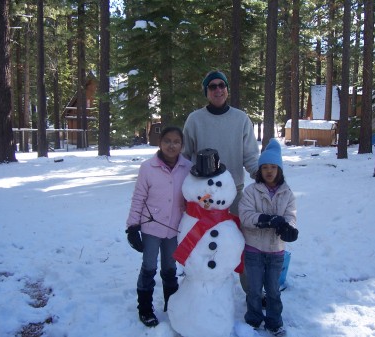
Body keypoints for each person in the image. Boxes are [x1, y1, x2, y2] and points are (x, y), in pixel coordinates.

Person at [125, 126, 192, 327]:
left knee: (170, 268)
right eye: (167, 141)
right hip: (150, 229)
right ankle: (145, 309)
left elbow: (193, 196)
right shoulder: (147, 167)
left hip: (174, 229)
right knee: (149, 267)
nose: (171, 145)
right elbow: (138, 197)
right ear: (159, 143)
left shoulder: (188, 168)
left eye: (176, 142)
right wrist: (132, 226)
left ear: (182, 145)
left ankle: (172, 307)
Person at [238, 138, 298, 337]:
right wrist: (266, 219)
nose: (269, 171)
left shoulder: (287, 193)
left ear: (279, 170)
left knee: (273, 290)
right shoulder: (250, 192)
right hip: (253, 250)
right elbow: (245, 216)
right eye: (265, 167)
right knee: (254, 290)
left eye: (273, 167)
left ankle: (274, 322)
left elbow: (290, 216)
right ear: (259, 170)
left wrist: (289, 229)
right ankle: (253, 319)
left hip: (276, 252)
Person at [182, 70, 259, 216]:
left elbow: (251, 156)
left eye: (222, 85)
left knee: (235, 235)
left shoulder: (241, 119)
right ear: (206, 92)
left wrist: (260, 175)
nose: (218, 89)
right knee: (205, 237)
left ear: (227, 90)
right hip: (203, 192)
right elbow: (184, 156)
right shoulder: (195, 119)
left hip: (233, 190)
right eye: (212, 87)